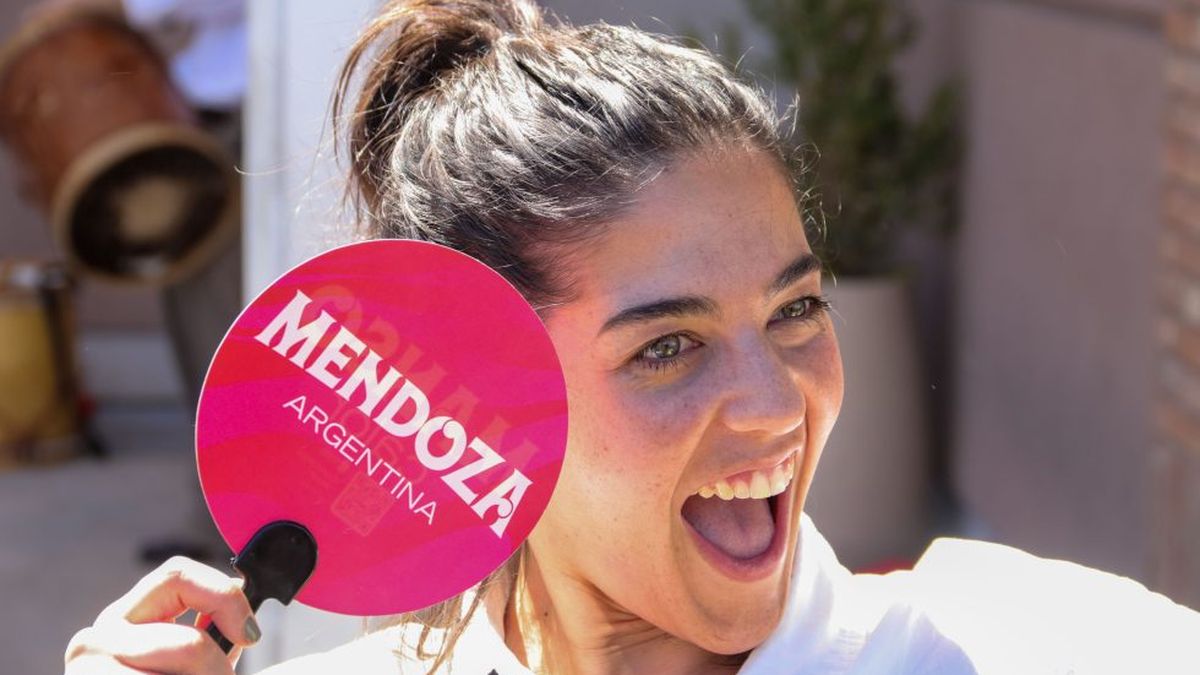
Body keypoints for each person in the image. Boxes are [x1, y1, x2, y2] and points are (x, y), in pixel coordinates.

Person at [63, 1, 1200, 673]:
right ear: (473, 395)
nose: (777, 404)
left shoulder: (1046, 648)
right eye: (667, 346)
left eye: (796, 309)